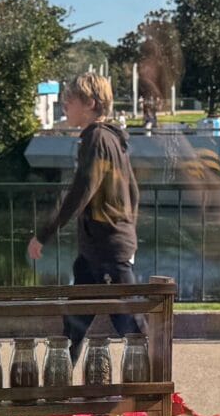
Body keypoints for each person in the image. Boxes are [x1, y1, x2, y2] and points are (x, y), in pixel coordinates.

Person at [27, 72, 141, 364]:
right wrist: (130, 230)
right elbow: (133, 191)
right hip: (100, 247)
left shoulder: (97, 138)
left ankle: (152, 384)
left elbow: (80, 191)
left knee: (129, 322)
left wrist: (45, 233)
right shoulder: (113, 138)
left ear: (90, 103)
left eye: (70, 100)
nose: (65, 106)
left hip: (107, 247)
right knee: (75, 321)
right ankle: (59, 385)